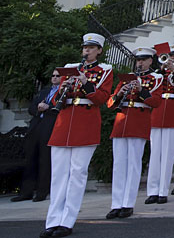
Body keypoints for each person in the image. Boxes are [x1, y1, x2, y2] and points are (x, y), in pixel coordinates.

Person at [41, 33, 113, 238]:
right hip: (63, 125)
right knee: (58, 176)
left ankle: (67, 221)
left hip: (85, 124)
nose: (86, 51)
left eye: (91, 48)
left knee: (77, 175)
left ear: (99, 50)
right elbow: (56, 101)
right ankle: (52, 221)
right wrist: (63, 88)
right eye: (85, 47)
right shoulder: (70, 68)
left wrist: (86, 83)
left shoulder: (104, 71)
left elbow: (102, 99)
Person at [106, 47, 163, 219]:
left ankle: (128, 204)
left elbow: (156, 102)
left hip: (138, 121)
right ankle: (116, 203)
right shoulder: (126, 79)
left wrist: (141, 90)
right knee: (118, 165)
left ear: (150, 61)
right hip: (121, 122)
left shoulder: (156, 78)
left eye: (144, 59)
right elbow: (110, 102)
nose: (140, 63)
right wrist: (120, 94)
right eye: (138, 60)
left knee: (133, 164)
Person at [146, 44, 174, 204]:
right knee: (155, 154)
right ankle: (152, 190)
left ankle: (163, 191)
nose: (172, 57)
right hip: (158, 113)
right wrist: (161, 69)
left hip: (173, 113)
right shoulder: (158, 73)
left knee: (168, 155)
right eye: (169, 55)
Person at [13, 69, 60, 202]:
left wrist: (48, 108)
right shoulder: (44, 91)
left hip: (49, 126)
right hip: (36, 125)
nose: (55, 78)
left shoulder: (62, 92)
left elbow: (60, 109)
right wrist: (38, 108)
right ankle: (25, 192)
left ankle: (42, 192)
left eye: (58, 76)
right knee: (30, 159)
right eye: (53, 76)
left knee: (45, 160)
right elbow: (31, 108)